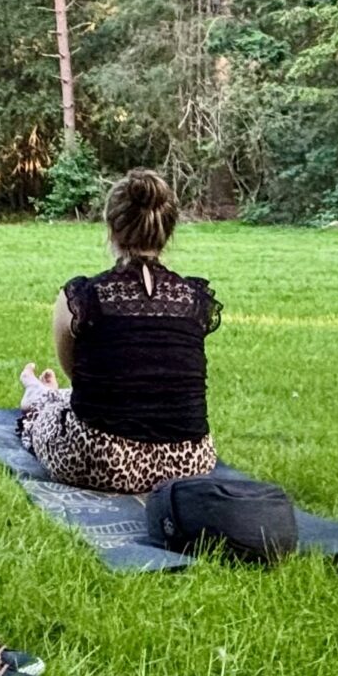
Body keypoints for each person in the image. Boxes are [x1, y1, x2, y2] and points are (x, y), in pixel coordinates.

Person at [18, 167, 220, 494]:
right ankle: (45, 395)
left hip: (100, 461)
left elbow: (77, 373)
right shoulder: (193, 299)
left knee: (51, 412)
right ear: (168, 231)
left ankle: (38, 395)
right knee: (81, 400)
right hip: (190, 463)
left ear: (112, 228)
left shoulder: (82, 297)